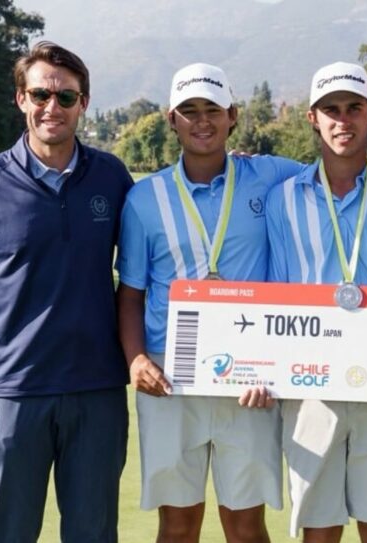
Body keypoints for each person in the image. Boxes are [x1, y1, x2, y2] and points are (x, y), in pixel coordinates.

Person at [0, 41, 131, 542]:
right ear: (21, 99)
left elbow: (146, 266)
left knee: (93, 533)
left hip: (97, 389)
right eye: (41, 94)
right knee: (11, 533)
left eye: (66, 97)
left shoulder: (112, 178)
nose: (53, 107)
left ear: (84, 103)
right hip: (13, 392)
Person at [116, 62, 303, 543]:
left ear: (233, 116)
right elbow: (131, 292)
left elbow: (336, 169)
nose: (202, 121)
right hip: (169, 377)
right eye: (190, 111)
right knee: (178, 524)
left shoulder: (271, 176)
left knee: (245, 524)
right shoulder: (144, 199)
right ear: (171, 119)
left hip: (250, 374)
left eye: (213, 110)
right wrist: (136, 359)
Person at [265, 61, 367, 543]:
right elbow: (278, 296)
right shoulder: (283, 199)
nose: (343, 120)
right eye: (330, 110)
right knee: (319, 529)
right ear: (312, 118)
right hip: (308, 384)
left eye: (354, 108)